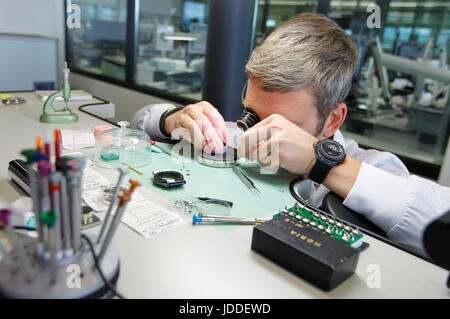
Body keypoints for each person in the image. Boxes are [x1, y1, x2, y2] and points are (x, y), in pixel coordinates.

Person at [131, 13, 450, 257]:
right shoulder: (241, 137)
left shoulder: (374, 167)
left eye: (280, 125)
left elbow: (436, 220)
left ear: (332, 120)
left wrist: (321, 162)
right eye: (251, 112)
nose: (255, 131)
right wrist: (174, 119)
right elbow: (139, 120)